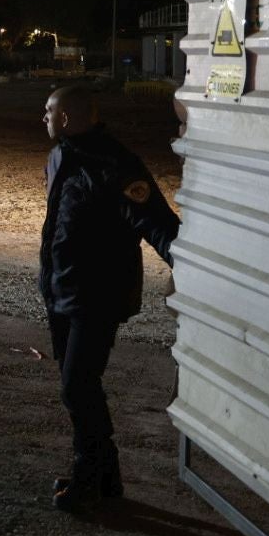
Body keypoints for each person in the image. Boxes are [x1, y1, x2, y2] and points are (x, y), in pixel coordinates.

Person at [40, 83, 178, 512]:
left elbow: (158, 224)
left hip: (97, 296)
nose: (43, 117)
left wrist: (191, 269)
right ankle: (105, 477)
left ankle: (89, 479)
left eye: (48, 111)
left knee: (78, 386)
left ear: (65, 117)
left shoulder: (116, 164)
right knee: (78, 386)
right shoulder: (60, 156)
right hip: (62, 292)